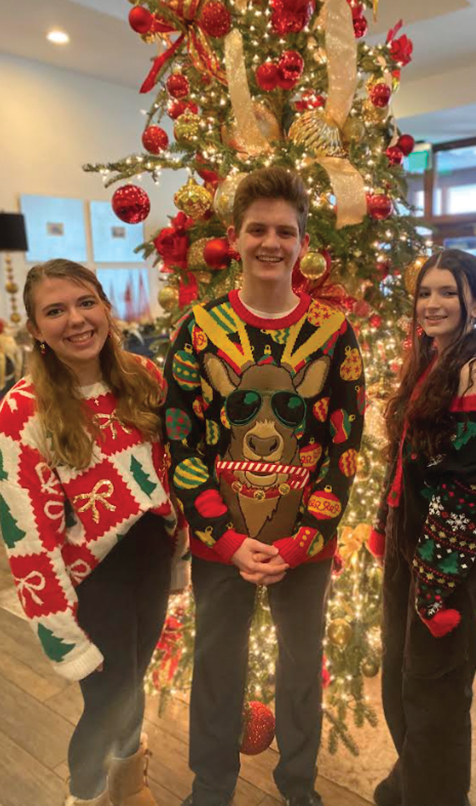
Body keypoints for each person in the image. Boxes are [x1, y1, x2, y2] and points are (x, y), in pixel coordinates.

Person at [164, 166, 365, 806]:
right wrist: (222, 537)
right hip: (220, 540)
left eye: (285, 230)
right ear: (235, 236)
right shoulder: (197, 329)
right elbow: (181, 439)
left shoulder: (336, 334)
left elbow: (345, 445)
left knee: (301, 670)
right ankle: (212, 786)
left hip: (305, 543)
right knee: (218, 668)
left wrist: (308, 538)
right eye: (258, 230)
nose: (271, 242)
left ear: (304, 244)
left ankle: (299, 787)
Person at [0, 259, 189, 806]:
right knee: (106, 702)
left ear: (106, 306)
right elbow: (28, 535)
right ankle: (85, 797)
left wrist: (177, 557)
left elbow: (167, 473)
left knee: (133, 689)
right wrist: (61, 632)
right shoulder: (22, 410)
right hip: (91, 582)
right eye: (55, 311)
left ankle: (129, 786)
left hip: (150, 562)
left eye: (86, 303)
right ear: (35, 329)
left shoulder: (143, 376)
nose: (76, 320)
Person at [368, 249, 476, 806]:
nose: (432, 303)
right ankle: (408, 785)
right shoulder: (430, 359)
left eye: (447, 292)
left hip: (447, 558)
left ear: (475, 299)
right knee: (402, 682)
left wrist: (437, 581)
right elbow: (402, 457)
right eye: (425, 292)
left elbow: (474, 488)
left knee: (436, 695)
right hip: (410, 544)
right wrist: (386, 523)